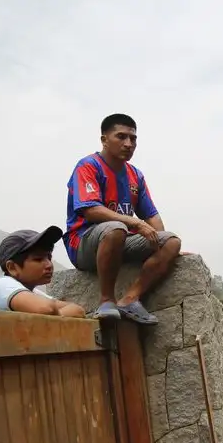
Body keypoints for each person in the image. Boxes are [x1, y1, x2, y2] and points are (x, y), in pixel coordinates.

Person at [63, 113, 183, 325]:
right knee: (116, 228)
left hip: (119, 238)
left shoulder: (135, 175)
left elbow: (151, 215)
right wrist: (135, 222)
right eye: (121, 137)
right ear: (104, 139)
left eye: (133, 139)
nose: (129, 144)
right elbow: (90, 210)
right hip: (84, 242)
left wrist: (162, 242)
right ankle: (106, 301)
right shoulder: (88, 166)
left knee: (172, 241)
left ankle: (130, 299)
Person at [0, 227, 86, 317]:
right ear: (12, 268)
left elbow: (78, 310)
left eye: (49, 258)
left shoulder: (33, 293)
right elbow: (45, 309)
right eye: (38, 259)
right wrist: (57, 314)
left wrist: (55, 314)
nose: (49, 265)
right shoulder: (2, 285)